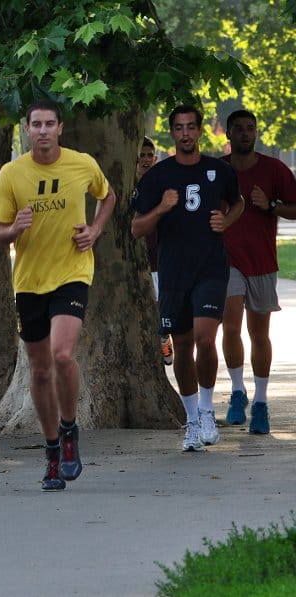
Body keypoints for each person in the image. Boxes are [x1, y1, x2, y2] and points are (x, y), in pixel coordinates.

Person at [0, 100, 116, 491]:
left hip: (73, 273)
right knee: (40, 370)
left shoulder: (82, 164)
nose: (42, 130)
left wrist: (94, 230)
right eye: (35, 125)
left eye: (49, 124)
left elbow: (107, 196)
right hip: (29, 282)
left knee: (62, 355)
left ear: (60, 128)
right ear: (26, 129)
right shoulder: (11, 174)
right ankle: (51, 452)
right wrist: (14, 230)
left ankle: (69, 429)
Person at [132, 105, 244, 452]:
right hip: (173, 272)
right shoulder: (157, 176)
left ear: (199, 132)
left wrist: (226, 221)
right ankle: (192, 420)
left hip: (210, 267)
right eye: (179, 128)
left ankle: (209, 410)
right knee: (181, 345)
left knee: (205, 337)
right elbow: (136, 227)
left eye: (191, 127)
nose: (185, 133)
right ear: (173, 132)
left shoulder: (217, 170)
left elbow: (237, 203)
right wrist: (162, 209)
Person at [220, 109, 296, 433]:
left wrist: (271, 206)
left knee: (259, 334)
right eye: (239, 128)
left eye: (250, 128)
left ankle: (262, 402)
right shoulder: (218, 170)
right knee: (230, 326)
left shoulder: (274, 169)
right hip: (227, 260)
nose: (245, 133)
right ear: (228, 134)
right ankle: (238, 393)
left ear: (256, 133)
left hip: (263, 262)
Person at [137, 137, 173, 366]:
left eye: (150, 155)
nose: (146, 159)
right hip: (134, 259)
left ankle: (163, 335)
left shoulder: (162, 187)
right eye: (142, 155)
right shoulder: (126, 188)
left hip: (157, 258)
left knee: (160, 303)